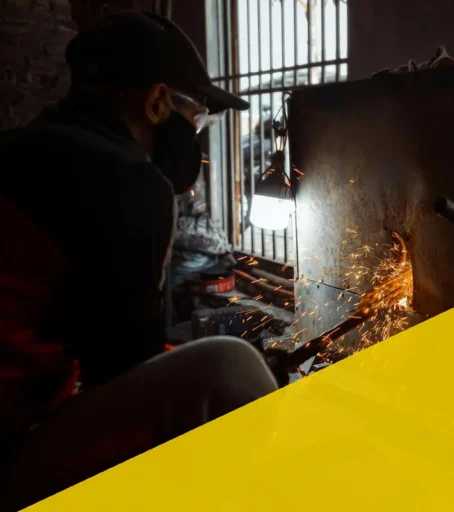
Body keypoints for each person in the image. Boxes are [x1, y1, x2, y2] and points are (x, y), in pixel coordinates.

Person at [0, 11, 278, 510]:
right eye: (195, 121)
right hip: (10, 451)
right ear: (157, 103)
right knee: (232, 368)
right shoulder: (127, 181)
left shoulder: (19, 148)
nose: (195, 140)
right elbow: (123, 366)